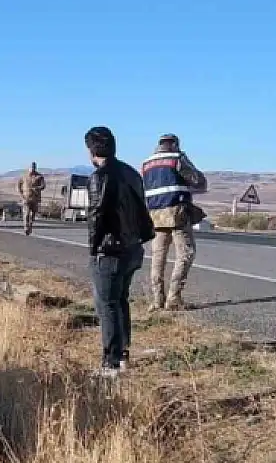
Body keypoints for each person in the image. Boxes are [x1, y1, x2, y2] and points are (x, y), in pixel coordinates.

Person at [84, 126, 155, 375]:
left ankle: (111, 362)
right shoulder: (131, 173)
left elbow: (96, 215)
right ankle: (123, 354)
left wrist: (94, 248)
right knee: (121, 300)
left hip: (111, 250)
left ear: (92, 150)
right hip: (133, 248)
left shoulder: (100, 176)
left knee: (107, 305)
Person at [141, 133, 208, 312]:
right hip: (176, 212)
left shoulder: (146, 163)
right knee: (186, 253)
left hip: (154, 215)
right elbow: (198, 181)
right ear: (175, 144)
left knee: (158, 257)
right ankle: (174, 297)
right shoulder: (177, 158)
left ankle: (156, 300)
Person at [16, 162, 46, 235]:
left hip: (35, 199)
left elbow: (43, 186)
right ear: (29, 168)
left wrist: (37, 188)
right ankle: (26, 227)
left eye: (34, 167)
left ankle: (30, 225)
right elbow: (18, 186)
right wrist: (21, 195)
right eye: (31, 167)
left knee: (33, 214)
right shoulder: (24, 176)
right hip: (26, 198)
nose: (32, 168)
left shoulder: (39, 176)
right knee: (26, 213)